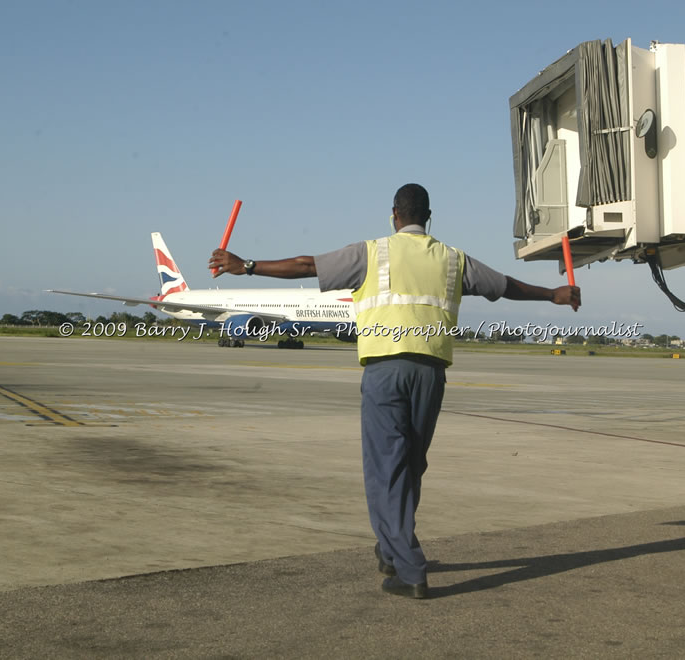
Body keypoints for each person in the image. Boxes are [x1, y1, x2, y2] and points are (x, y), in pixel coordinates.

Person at [208, 183, 581, 599]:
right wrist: (553, 294)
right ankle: (390, 548)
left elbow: (304, 265)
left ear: (394, 215)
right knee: (410, 464)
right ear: (429, 216)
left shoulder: (373, 253)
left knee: (386, 469)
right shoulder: (454, 260)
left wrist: (249, 265)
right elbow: (504, 286)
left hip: (386, 370)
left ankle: (410, 570)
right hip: (431, 373)